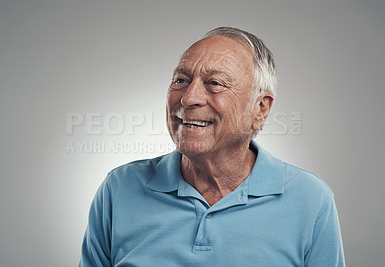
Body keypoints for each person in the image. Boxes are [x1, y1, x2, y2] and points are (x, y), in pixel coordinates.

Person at [79, 27, 345, 266]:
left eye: (215, 83)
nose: (189, 97)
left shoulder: (311, 199)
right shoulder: (119, 188)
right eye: (181, 80)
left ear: (260, 108)